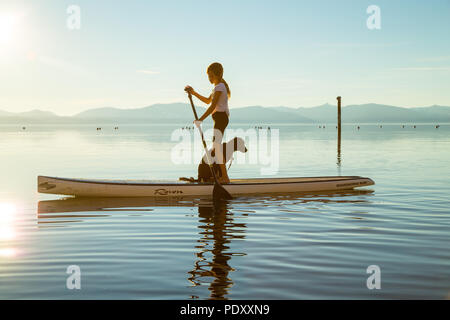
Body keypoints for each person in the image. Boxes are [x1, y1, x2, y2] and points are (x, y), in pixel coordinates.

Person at [185, 62, 231, 183]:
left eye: (211, 75)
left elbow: (212, 106)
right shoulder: (217, 87)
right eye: (208, 76)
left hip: (221, 118)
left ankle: (225, 177)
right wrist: (193, 93)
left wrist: (200, 119)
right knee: (216, 149)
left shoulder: (220, 87)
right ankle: (221, 175)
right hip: (220, 119)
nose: (209, 78)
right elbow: (207, 101)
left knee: (216, 148)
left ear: (217, 74)